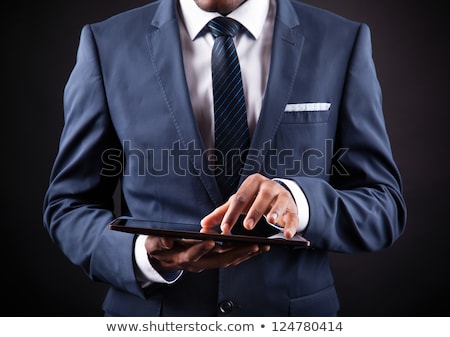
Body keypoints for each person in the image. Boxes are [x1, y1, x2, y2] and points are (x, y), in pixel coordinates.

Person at [43, 0, 407, 316]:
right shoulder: (106, 42)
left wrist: (301, 202)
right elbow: (69, 204)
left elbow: (383, 204)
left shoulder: (341, 40)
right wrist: (141, 256)